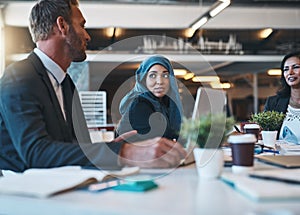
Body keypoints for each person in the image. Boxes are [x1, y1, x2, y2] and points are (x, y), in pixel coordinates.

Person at [0, 0, 186, 172]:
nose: (88, 36)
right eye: (82, 25)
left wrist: (114, 146)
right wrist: (123, 153)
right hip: (24, 195)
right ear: (62, 26)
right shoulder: (19, 77)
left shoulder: (66, 84)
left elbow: (79, 148)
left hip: (60, 188)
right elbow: (36, 153)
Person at [116, 55, 183, 143]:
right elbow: (158, 140)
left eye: (165, 75)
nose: (160, 82)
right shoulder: (139, 104)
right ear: (144, 79)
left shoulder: (166, 105)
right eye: (152, 76)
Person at [264, 51, 300, 144]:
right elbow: (264, 134)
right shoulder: (273, 103)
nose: (290, 72)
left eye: (296, 67)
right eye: (286, 69)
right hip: (280, 157)